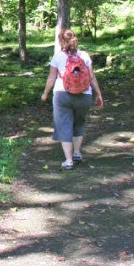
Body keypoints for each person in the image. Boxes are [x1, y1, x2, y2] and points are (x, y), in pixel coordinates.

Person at [41, 29, 104, 170]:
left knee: (64, 125)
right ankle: (77, 153)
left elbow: (51, 77)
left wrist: (45, 93)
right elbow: (91, 77)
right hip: (84, 95)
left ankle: (68, 161)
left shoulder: (57, 57)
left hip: (62, 95)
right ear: (75, 39)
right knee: (79, 122)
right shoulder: (85, 55)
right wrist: (98, 94)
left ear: (61, 41)